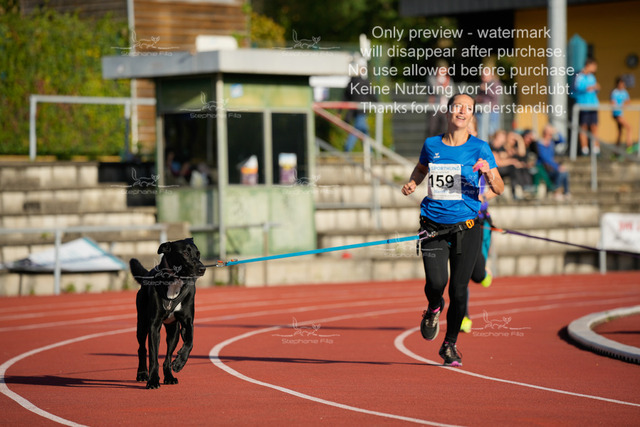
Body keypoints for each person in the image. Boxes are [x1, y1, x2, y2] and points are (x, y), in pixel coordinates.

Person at [401, 94, 504, 366]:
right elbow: (421, 169)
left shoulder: (480, 148)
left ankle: (449, 345)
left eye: (468, 108)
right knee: (436, 283)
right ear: (448, 112)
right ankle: (434, 307)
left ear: (471, 116)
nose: (462, 111)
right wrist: (413, 183)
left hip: (467, 228)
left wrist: (489, 173)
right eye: (458, 106)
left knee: (459, 290)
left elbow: (499, 187)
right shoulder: (431, 144)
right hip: (433, 225)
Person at [343, 64, 377, 152]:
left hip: (354, 111)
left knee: (363, 131)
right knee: (358, 130)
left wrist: (339, 111)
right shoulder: (364, 82)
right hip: (362, 110)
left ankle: (369, 151)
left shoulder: (350, 83)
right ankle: (348, 147)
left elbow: (345, 98)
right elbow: (371, 94)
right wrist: (378, 103)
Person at [573, 58, 600, 156]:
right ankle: (584, 149)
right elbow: (577, 88)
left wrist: (596, 87)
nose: (595, 68)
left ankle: (596, 149)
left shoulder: (592, 77)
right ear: (588, 65)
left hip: (593, 105)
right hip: (583, 106)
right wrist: (588, 87)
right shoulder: (579, 76)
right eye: (594, 66)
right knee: (583, 127)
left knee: (594, 127)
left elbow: (595, 89)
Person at [536, 125, 571, 201]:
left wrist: (557, 132)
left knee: (565, 172)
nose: (551, 135)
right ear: (545, 133)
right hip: (544, 168)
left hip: (551, 167)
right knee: (561, 172)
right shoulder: (540, 144)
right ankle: (556, 192)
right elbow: (545, 158)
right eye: (549, 133)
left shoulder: (551, 142)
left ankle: (566, 192)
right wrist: (557, 167)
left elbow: (563, 141)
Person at [426, 61, 454, 136]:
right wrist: (446, 90)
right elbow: (436, 90)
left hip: (445, 108)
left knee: (443, 129)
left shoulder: (449, 80)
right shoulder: (432, 78)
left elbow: (452, 93)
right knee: (432, 129)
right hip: (434, 108)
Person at [610, 77, 632, 151]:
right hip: (617, 114)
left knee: (620, 132)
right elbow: (612, 103)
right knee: (629, 127)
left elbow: (628, 101)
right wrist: (617, 107)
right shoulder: (614, 92)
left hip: (621, 113)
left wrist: (624, 105)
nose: (622, 85)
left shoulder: (624, 92)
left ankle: (616, 150)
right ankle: (629, 146)